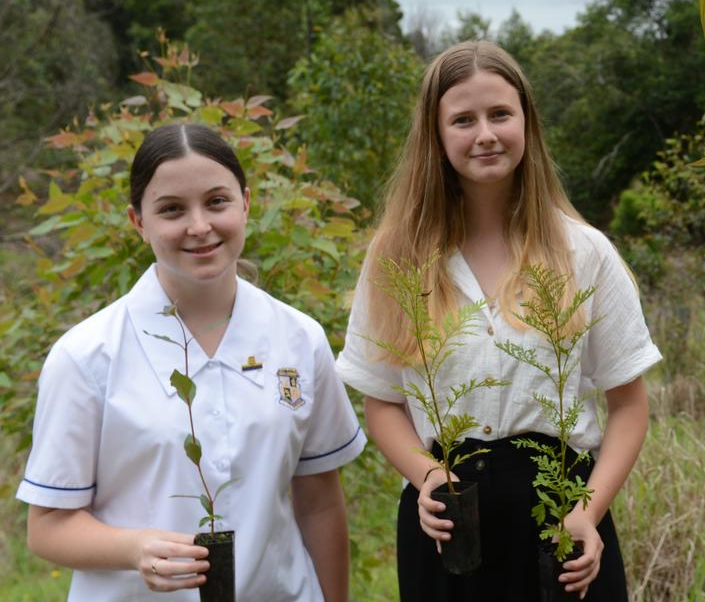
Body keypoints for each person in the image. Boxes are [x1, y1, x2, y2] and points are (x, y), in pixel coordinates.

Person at [336, 40, 660, 601]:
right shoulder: (397, 256)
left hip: (562, 518)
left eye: (500, 114)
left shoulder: (583, 252)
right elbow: (383, 401)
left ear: (527, 125)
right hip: (447, 521)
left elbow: (629, 407)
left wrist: (588, 510)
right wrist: (428, 478)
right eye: (463, 119)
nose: (484, 133)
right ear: (436, 137)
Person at [19, 123, 366, 600]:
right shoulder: (86, 356)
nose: (199, 226)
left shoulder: (299, 339)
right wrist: (135, 548)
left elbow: (320, 503)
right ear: (138, 222)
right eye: (172, 210)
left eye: (217, 201)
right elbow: (48, 527)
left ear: (245, 203)